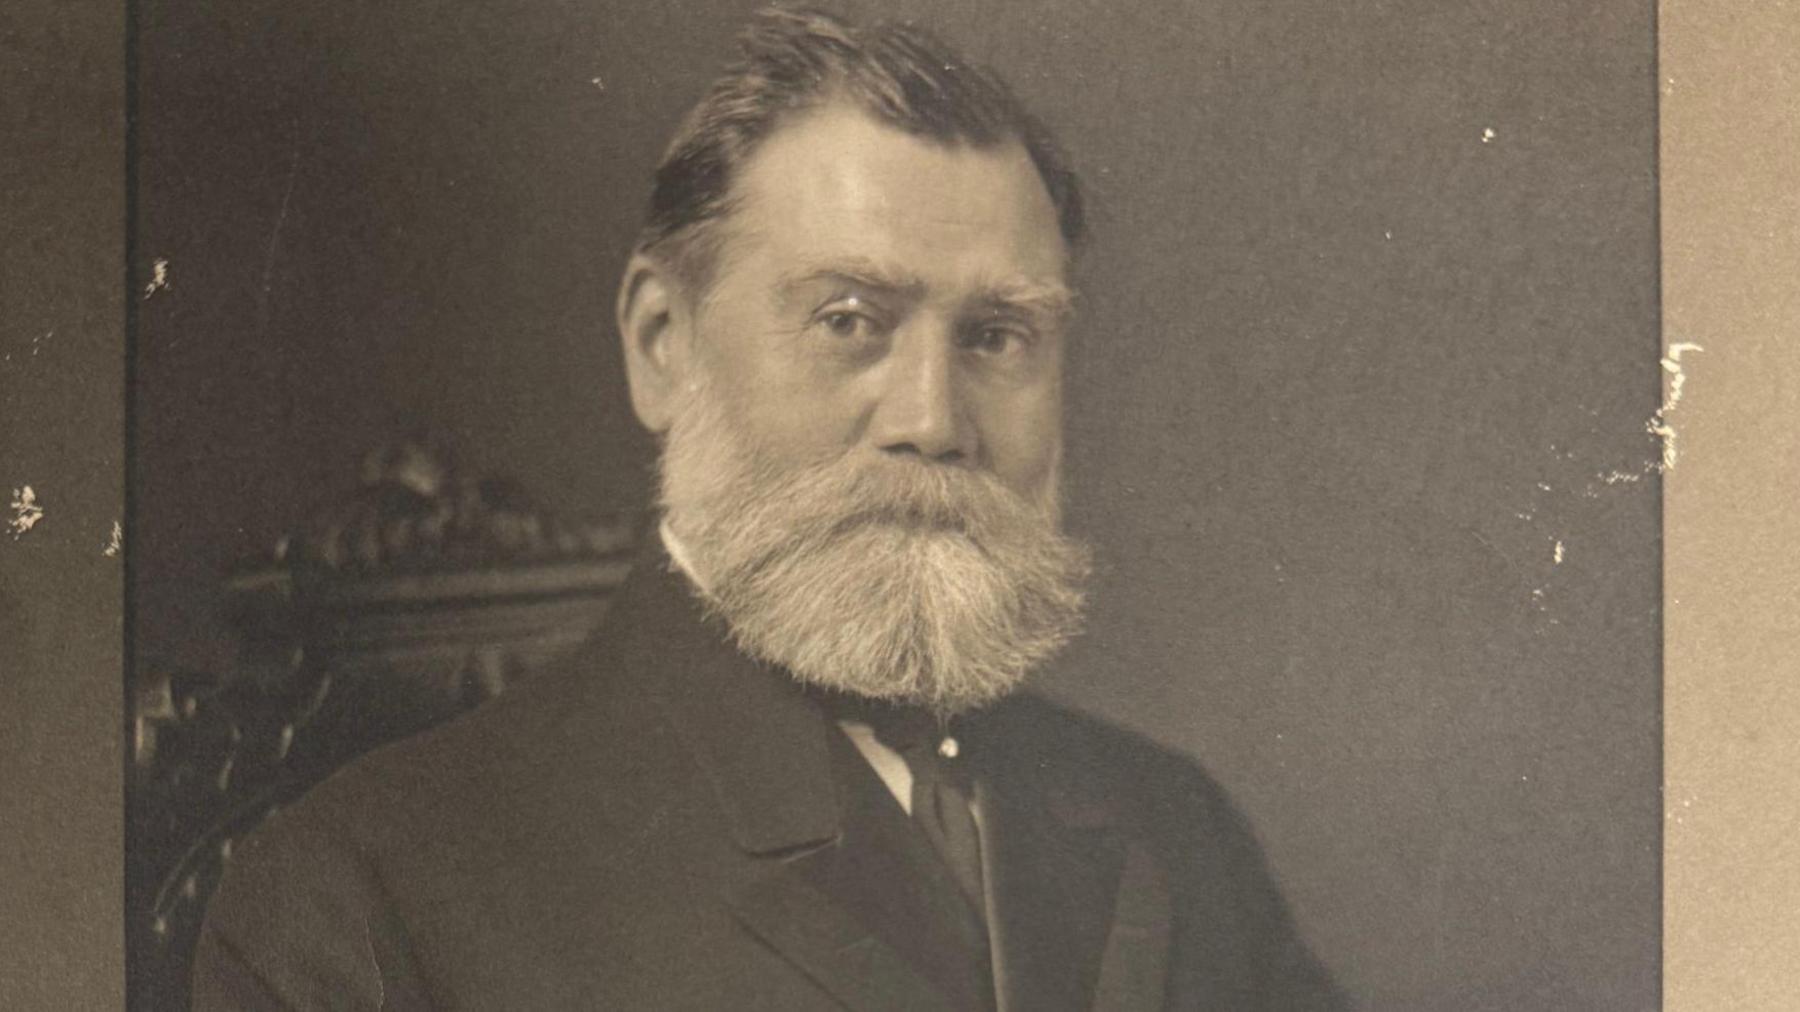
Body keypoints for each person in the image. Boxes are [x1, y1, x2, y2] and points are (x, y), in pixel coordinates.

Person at [192, 7, 1346, 1009]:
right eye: (849, 319)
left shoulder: (1175, 833)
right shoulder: (357, 896)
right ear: (663, 345)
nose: (933, 421)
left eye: (996, 337)